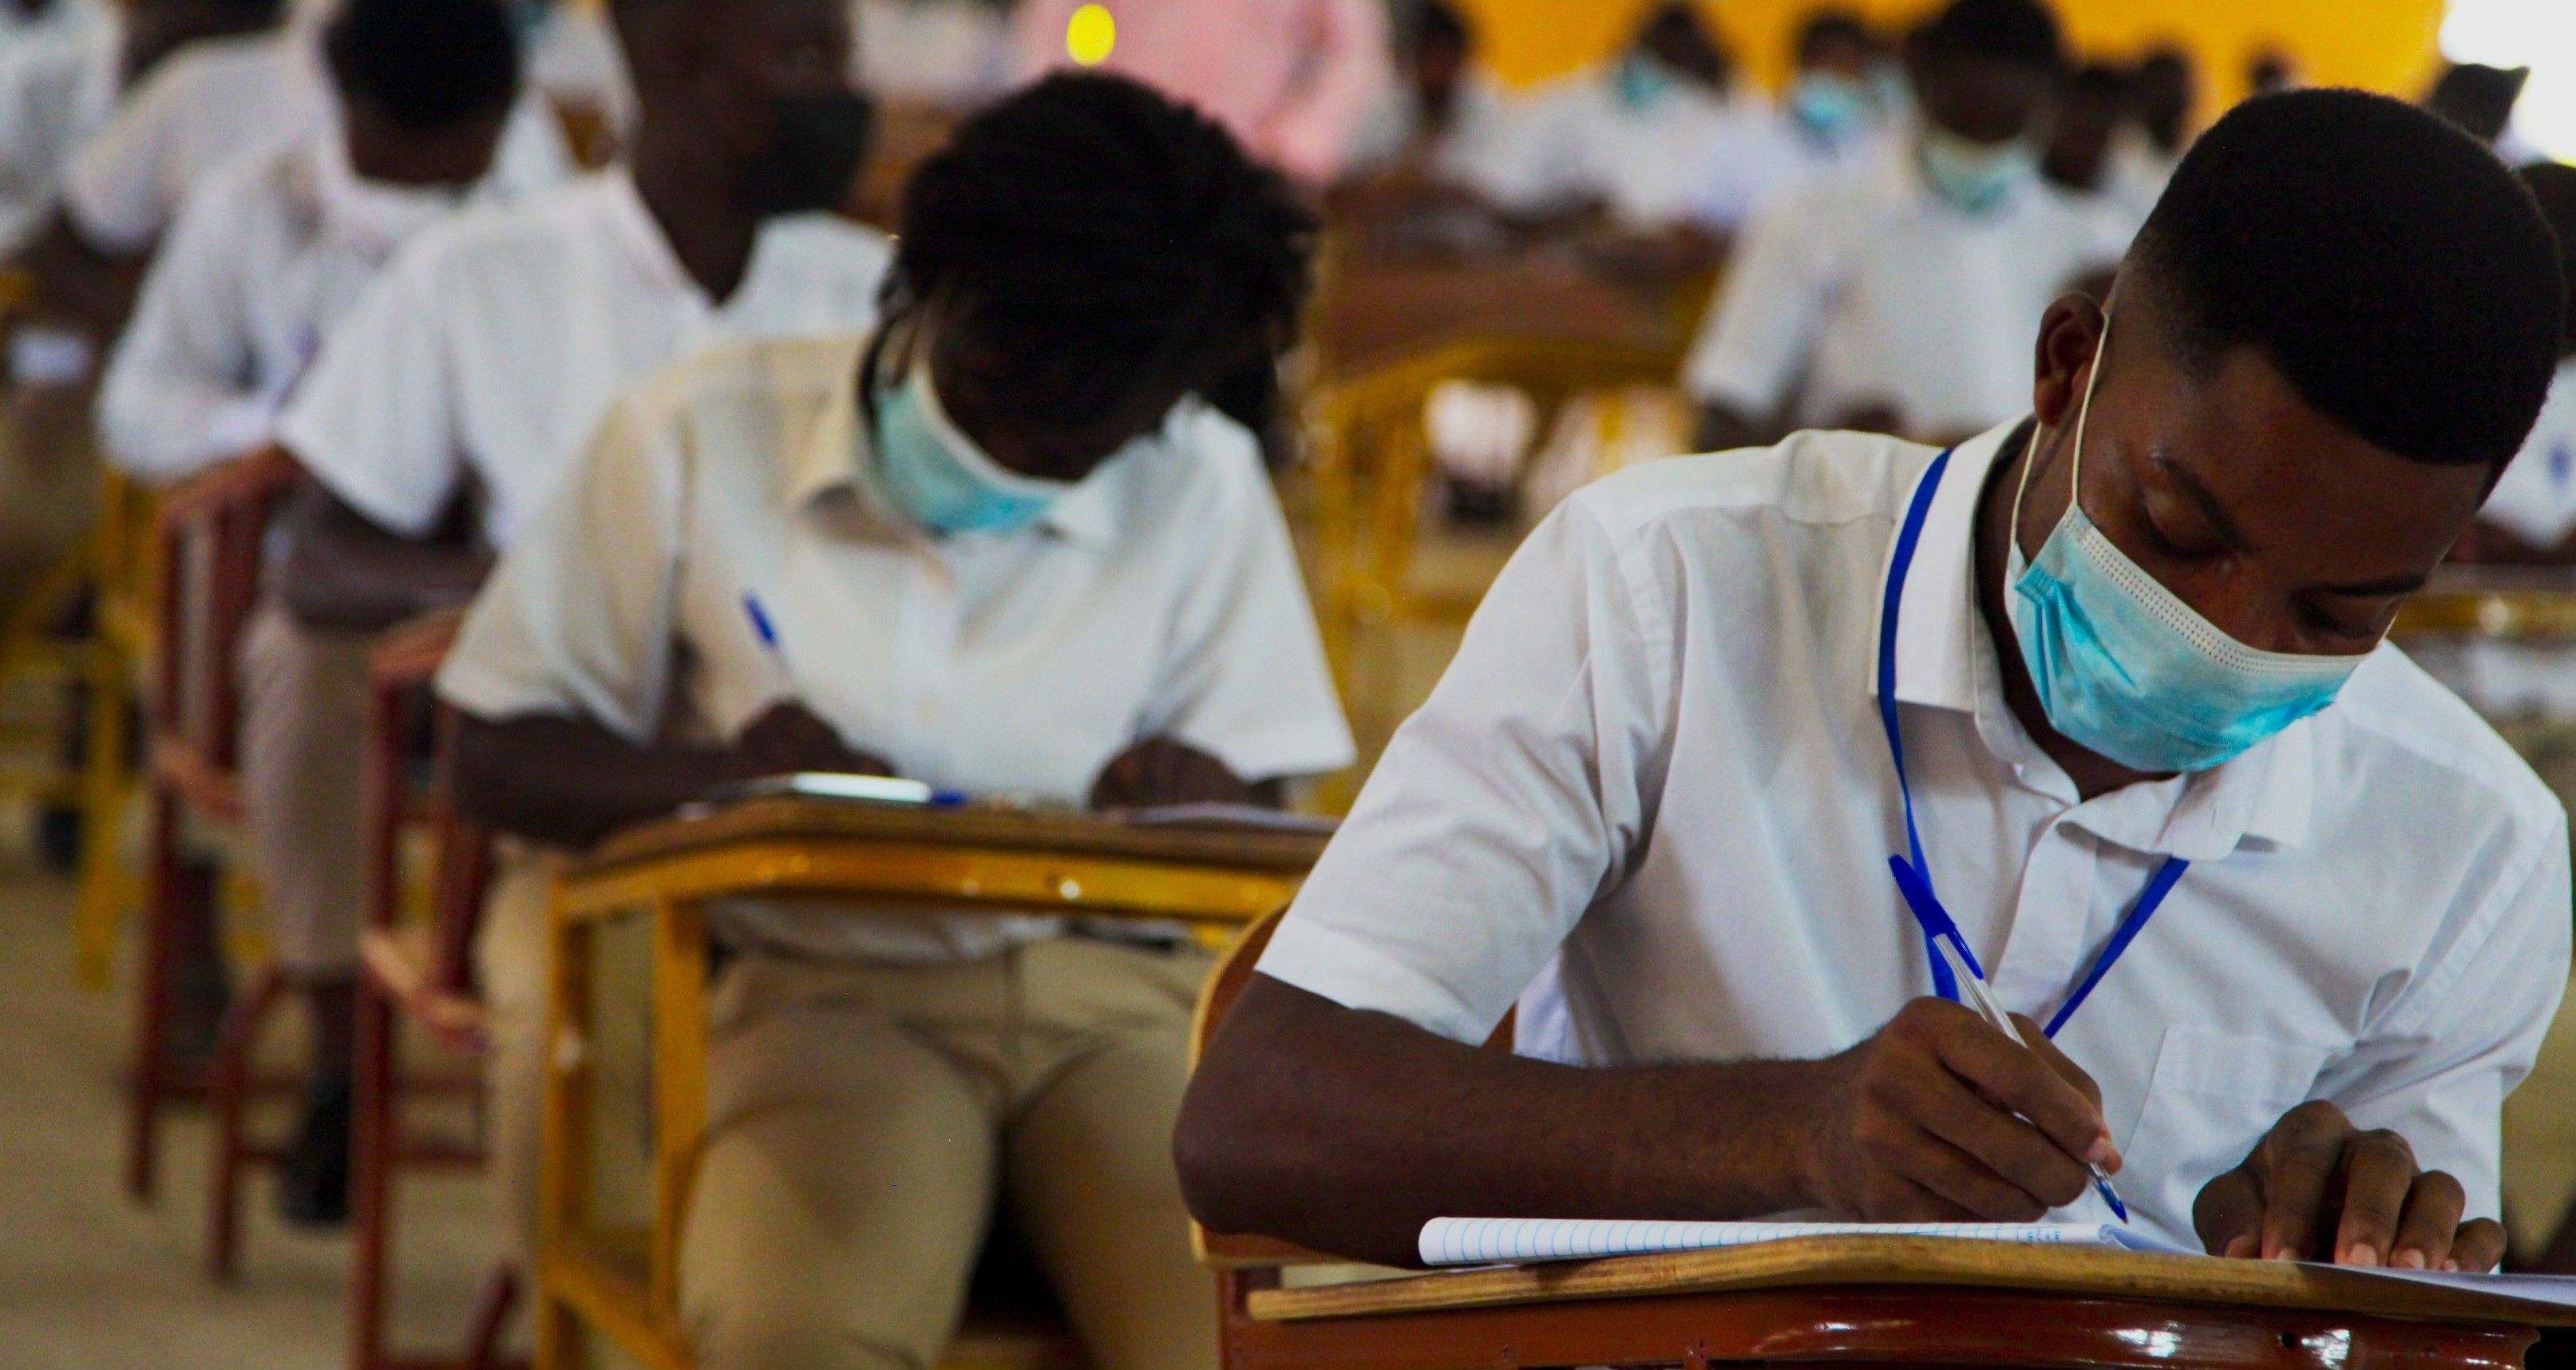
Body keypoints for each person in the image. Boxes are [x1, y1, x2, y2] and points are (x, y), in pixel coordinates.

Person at [1175, 89, 2570, 1274]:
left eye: (2337, 610)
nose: (2223, 630)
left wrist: (2334, 1241)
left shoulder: (2470, 848)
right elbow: (1260, 1120)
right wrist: (1790, 1132)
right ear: (2065, 369)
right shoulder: (1674, 588)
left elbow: (2404, 1294)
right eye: (2177, 531)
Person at [437, 71, 1351, 1370]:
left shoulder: (1193, 477)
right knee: (796, 1334)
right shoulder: (700, 432)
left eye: (1077, 450)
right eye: (997, 399)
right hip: (826, 986)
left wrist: (1205, 792)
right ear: (925, 286)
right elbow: (493, 750)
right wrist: (715, 784)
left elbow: (1260, 823)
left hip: (1114, 995)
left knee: (1242, 1337)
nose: (1016, 463)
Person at [263, 0, 887, 1224]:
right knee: (304, 660)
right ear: (671, 59)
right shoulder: (484, 271)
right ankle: (337, 1038)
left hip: (805, 744)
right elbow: (320, 555)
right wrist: (536, 593)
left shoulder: (874, 290)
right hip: (544, 739)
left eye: (841, 60)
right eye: (805, 57)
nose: (840, 95)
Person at [1683, 0, 2133, 449]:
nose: (1982, 145)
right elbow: (1720, 424)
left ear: (2047, 106)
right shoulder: (1815, 221)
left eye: (2007, 125)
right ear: (1920, 81)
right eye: (1966, 118)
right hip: (1864, 512)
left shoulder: (2094, 243)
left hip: (2030, 515)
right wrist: (1835, 453)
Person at [1010, 0, 1388, 187]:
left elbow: (1356, 52)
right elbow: (1049, 30)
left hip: (1248, 169)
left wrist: (1296, 143)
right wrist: (1079, 128)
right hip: (1124, 164)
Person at [1777, 10, 1894, 180]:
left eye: (1844, 69)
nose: (1835, 78)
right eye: (1827, 66)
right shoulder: (1763, 137)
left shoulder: (1887, 147)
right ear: (1805, 64)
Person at [2108, 45, 2194, 207]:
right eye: (2161, 93)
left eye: (2174, 96)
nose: (2169, 104)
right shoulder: (2117, 155)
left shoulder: (2195, 160)